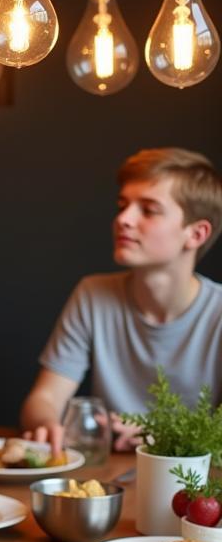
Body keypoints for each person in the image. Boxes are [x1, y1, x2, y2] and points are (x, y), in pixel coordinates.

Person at [21, 147, 222, 452]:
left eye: (149, 209)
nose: (123, 219)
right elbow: (45, 398)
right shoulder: (93, 294)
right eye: (123, 205)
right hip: (111, 474)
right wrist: (46, 424)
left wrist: (161, 438)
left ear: (196, 234)